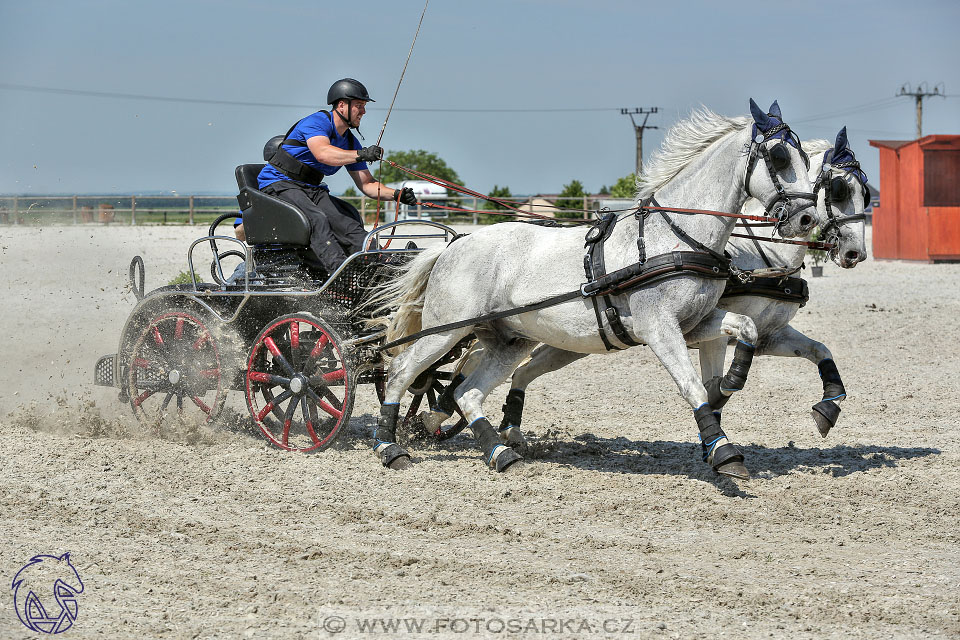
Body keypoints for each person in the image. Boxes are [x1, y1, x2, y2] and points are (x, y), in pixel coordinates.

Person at [257, 78, 417, 274]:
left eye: (364, 106)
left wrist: (397, 194)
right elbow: (323, 153)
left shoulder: (350, 142)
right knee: (316, 218)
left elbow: (367, 184)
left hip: (312, 189)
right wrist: (361, 154)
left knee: (347, 222)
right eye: (359, 106)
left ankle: (383, 263)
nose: (364, 112)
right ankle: (341, 273)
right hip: (279, 184)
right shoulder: (316, 122)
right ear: (342, 105)